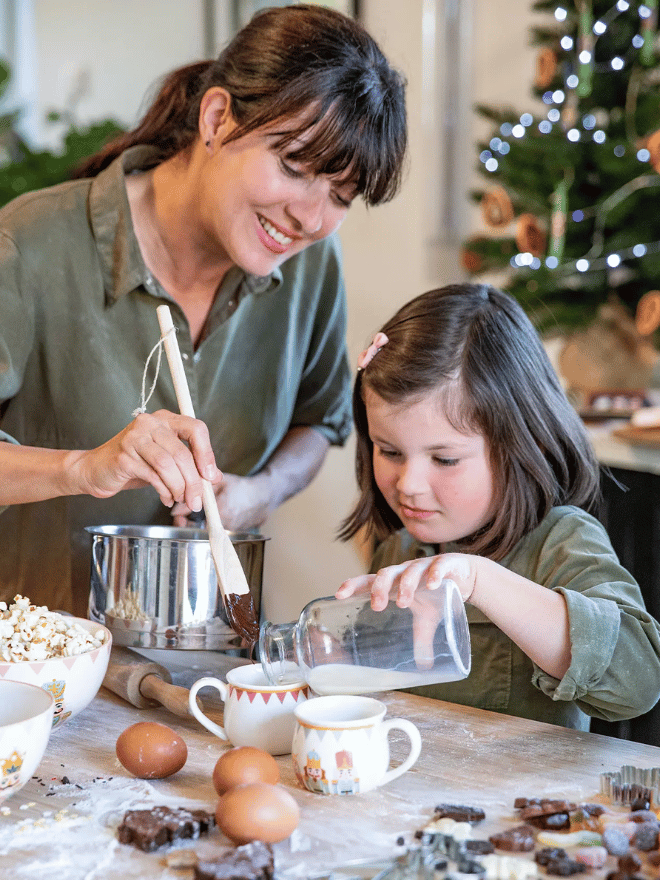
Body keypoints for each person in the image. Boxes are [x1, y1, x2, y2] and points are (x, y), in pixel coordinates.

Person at [0, 4, 407, 616]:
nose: (310, 218)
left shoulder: (311, 263)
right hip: (42, 656)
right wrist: (82, 468)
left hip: (219, 652)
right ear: (217, 119)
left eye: (341, 196)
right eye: (293, 166)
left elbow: (319, 420)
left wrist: (261, 491)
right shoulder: (29, 244)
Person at [336, 283, 660, 730]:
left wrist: (480, 580)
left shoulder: (561, 542)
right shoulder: (399, 551)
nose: (408, 484)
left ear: (525, 445)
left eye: (444, 459)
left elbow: (639, 683)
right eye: (389, 451)